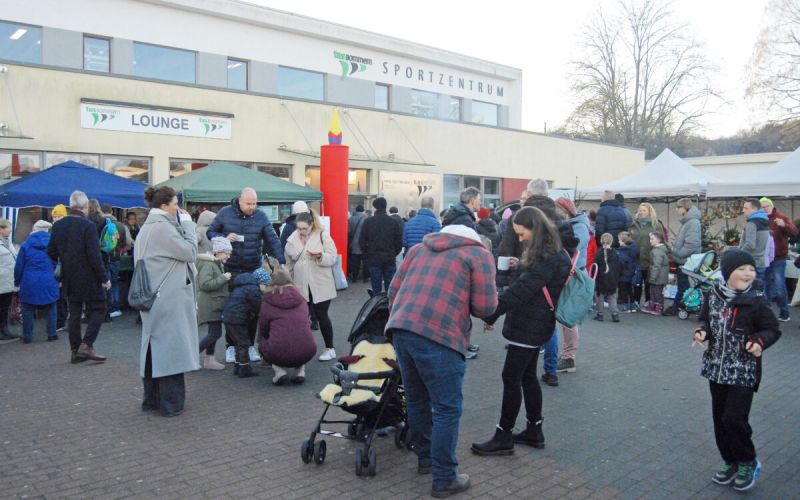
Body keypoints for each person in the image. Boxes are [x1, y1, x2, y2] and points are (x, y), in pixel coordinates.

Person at [386, 223, 497, 498]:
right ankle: (445, 476)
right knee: (447, 408)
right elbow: (486, 307)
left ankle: (425, 459)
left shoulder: (417, 249)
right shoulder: (478, 255)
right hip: (440, 335)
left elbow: (393, 291)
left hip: (402, 328)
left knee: (416, 399)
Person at [471, 206, 570, 456]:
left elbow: (521, 291)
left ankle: (504, 435)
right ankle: (534, 431)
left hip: (530, 325)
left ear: (534, 229)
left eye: (521, 232)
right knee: (526, 377)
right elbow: (530, 284)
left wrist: (491, 312)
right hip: (535, 324)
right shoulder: (548, 253)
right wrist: (520, 267)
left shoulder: (547, 258)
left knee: (511, 377)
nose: (519, 237)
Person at [693, 249, 781, 492]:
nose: (748, 273)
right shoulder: (713, 295)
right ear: (728, 272)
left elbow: (772, 329)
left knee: (734, 418)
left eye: (751, 269)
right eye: (742, 269)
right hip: (715, 369)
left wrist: (759, 343)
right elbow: (705, 321)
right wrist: (702, 332)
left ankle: (747, 461)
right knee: (720, 420)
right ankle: (730, 461)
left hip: (743, 371)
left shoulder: (756, 300)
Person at [135, 186, 200, 416]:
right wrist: (189, 225)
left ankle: (152, 400)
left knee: (154, 348)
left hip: (153, 297)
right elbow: (190, 252)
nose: (178, 209)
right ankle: (171, 403)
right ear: (164, 206)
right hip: (168, 298)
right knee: (172, 350)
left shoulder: (148, 227)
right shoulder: (163, 228)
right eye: (174, 204)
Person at [208, 187, 284, 363]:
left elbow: (272, 239)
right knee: (232, 310)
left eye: (255, 203)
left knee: (252, 309)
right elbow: (210, 232)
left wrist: (281, 262)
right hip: (230, 269)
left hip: (252, 268)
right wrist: (225, 236)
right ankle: (230, 347)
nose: (252, 206)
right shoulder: (225, 213)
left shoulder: (261, 216)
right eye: (249, 203)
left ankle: (249, 346)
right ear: (240, 201)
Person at [47, 192, 110, 363]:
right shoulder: (87, 226)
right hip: (89, 276)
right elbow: (94, 256)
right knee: (99, 309)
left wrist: (66, 258)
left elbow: (51, 252)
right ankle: (87, 345)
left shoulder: (58, 226)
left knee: (74, 313)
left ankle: (75, 351)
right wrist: (104, 278)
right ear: (85, 207)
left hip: (69, 275)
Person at [285, 211, 339, 361]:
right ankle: (301, 348)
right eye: (299, 228)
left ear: (312, 225)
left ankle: (330, 348)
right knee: (300, 318)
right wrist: (288, 283)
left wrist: (320, 256)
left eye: (304, 228)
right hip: (300, 284)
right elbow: (288, 264)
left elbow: (333, 257)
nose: (301, 231)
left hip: (320, 283)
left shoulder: (322, 236)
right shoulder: (291, 240)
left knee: (322, 316)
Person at [257, 268, 316, 385]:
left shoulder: (267, 302)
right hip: (308, 350)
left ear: (271, 282)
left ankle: (279, 372)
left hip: (278, 352)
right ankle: (300, 371)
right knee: (299, 334)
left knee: (262, 341)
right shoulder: (302, 300)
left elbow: (263, 329)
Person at [554, 196, 590, 374]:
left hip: (575, 276)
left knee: (569, 317)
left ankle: (569, 358)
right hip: (567, 274)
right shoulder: (574, 225)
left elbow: (571, 248)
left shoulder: (579, 227)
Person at [14, 220, 59, 344]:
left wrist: (17, 281)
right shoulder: (53, 244)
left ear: (34, 230)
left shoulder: (25, 245)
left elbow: (19, 266)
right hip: (49, 278)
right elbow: (57, 262)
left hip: (29, 280)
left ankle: (27, 336)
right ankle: (52, 334)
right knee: (51, 306)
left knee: (27, 307)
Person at [223, 268, 270, 378]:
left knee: (238, 342)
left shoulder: (242, 287)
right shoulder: (254, 290)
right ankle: (244, 368)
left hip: (229, 317)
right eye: (266, 285)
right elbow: (258, 306)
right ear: (260, 282)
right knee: (243, 343)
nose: (266, 289)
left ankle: (238, 366)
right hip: (237, 319)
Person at [196, 237, 232, 370]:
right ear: (218, 251)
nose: (228, 256)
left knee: (214, 332)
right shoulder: (208, 264)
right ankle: (193, 356)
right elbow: (204, 284)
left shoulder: (215, 263)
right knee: (215, 333)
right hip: (211, 303)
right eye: (226, 253)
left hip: (214, 303)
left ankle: (209, 359)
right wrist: (223, 278)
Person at [760, 197, 798, 322]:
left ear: (772, 206)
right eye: (763, 207)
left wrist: (784, 225)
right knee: (765, 286)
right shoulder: (760, 219)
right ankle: (766, 314)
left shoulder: (781, 217)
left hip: (778, 258)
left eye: (767, 206)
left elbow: (794, 233)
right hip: (764, 258)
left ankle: (784, 313)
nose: (765, 209)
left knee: (780, 286)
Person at [663, 198, 702, 316]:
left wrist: (678, 253)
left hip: (686, 260)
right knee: (682, 285)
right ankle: (678, 306)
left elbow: (692, 244)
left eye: (678, 207)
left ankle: (678, 307)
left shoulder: (692, 222)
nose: (676, 209)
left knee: (684, 286)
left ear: (685, 208)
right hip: (684, 259)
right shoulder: (688, 222)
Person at [359, 197, 402, 294]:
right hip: (389, 258)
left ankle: (376, 304)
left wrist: (367, 254)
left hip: (373, 258)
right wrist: (393, 253)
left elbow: (361, 241)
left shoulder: (368, 222)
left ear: (375, 208)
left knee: (376, 288)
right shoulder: (393, 222)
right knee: (390, 287)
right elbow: (399, 242)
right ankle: (389, 306)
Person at [630, 203, 666, 307]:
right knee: (636, 281)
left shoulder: (656, 224)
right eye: (640, 210)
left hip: (650, 257)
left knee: (649, 281)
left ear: (649, 211)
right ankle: (635, 301)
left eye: (644, 210)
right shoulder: (634, 224)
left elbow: (661, 239)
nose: (641, 212)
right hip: (636, 257)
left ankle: (648, 301)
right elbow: (629, 237)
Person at [100, 204, 128, 319]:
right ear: (112, 212)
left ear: (102, 212)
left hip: (104, 257)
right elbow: (125, 243)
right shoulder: (121, 226)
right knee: (115, 283)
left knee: (106, 283)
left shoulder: (100, 224)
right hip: (116, 257)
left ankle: (106, 309)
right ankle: (115, 308)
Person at [738, 199, 771, 284]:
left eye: (746, 208)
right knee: (759, 291)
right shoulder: (764, 221)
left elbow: (750, 244)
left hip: (752, 264)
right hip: (761, 262)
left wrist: (738, 254)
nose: (743, 210)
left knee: (752, 293)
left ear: (754, 209)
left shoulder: (752, 224)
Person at [593, 233, 622, 322]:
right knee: (612, 296)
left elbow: (595, 266)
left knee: (599, 296)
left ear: (601, 241)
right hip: (612, 278)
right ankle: (615, 314)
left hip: (601, 278)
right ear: (612, 241)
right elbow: (619, 267)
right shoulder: (615, 253)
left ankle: (600, 314)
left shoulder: (599, 253)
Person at [51, 204, 69, 332]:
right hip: (59, 266)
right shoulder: (53, 229)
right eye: (55, 216)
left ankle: (61, 320)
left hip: (64, 267)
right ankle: (61, 320)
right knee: (61, 295)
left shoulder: (65, 230)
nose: (56, 218)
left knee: (63, 295)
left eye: (59, 216)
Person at [0, 219, 19, 342]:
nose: (10, 229)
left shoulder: (8, 243)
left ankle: (4, 329)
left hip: (8, 282)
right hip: (1, 280)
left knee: (4, 307)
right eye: (8, 227)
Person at [642, 232, 669, 315]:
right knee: (653, 291)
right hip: (658, 276)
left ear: (658, 240)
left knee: (656, 292)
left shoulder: (657, 252)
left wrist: (653, 277)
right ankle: (653, 305)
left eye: (652, 239)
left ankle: (659, 307)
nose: (650, 241)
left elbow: (656, 266)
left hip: (658, 276)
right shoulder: (658, 250)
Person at [616, 232, 639, 312]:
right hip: (631, 272)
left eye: (619, 240)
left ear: (623, 241)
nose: (618, 242)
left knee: (622, 291)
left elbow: (620, 263)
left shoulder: (622, 252)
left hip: (623, 274)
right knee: (629, 289)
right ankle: (632, 306)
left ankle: (623, 306)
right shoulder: (633, 249)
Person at [347, 205, 369, 282]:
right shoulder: (366, 219)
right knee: (365, 261)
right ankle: (365, 277)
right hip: (364, 244)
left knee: (355, 262)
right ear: (363, 210)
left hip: (354, 244)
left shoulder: (350, 219)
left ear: (356, 210)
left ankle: (355, 277)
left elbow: (348, 232)